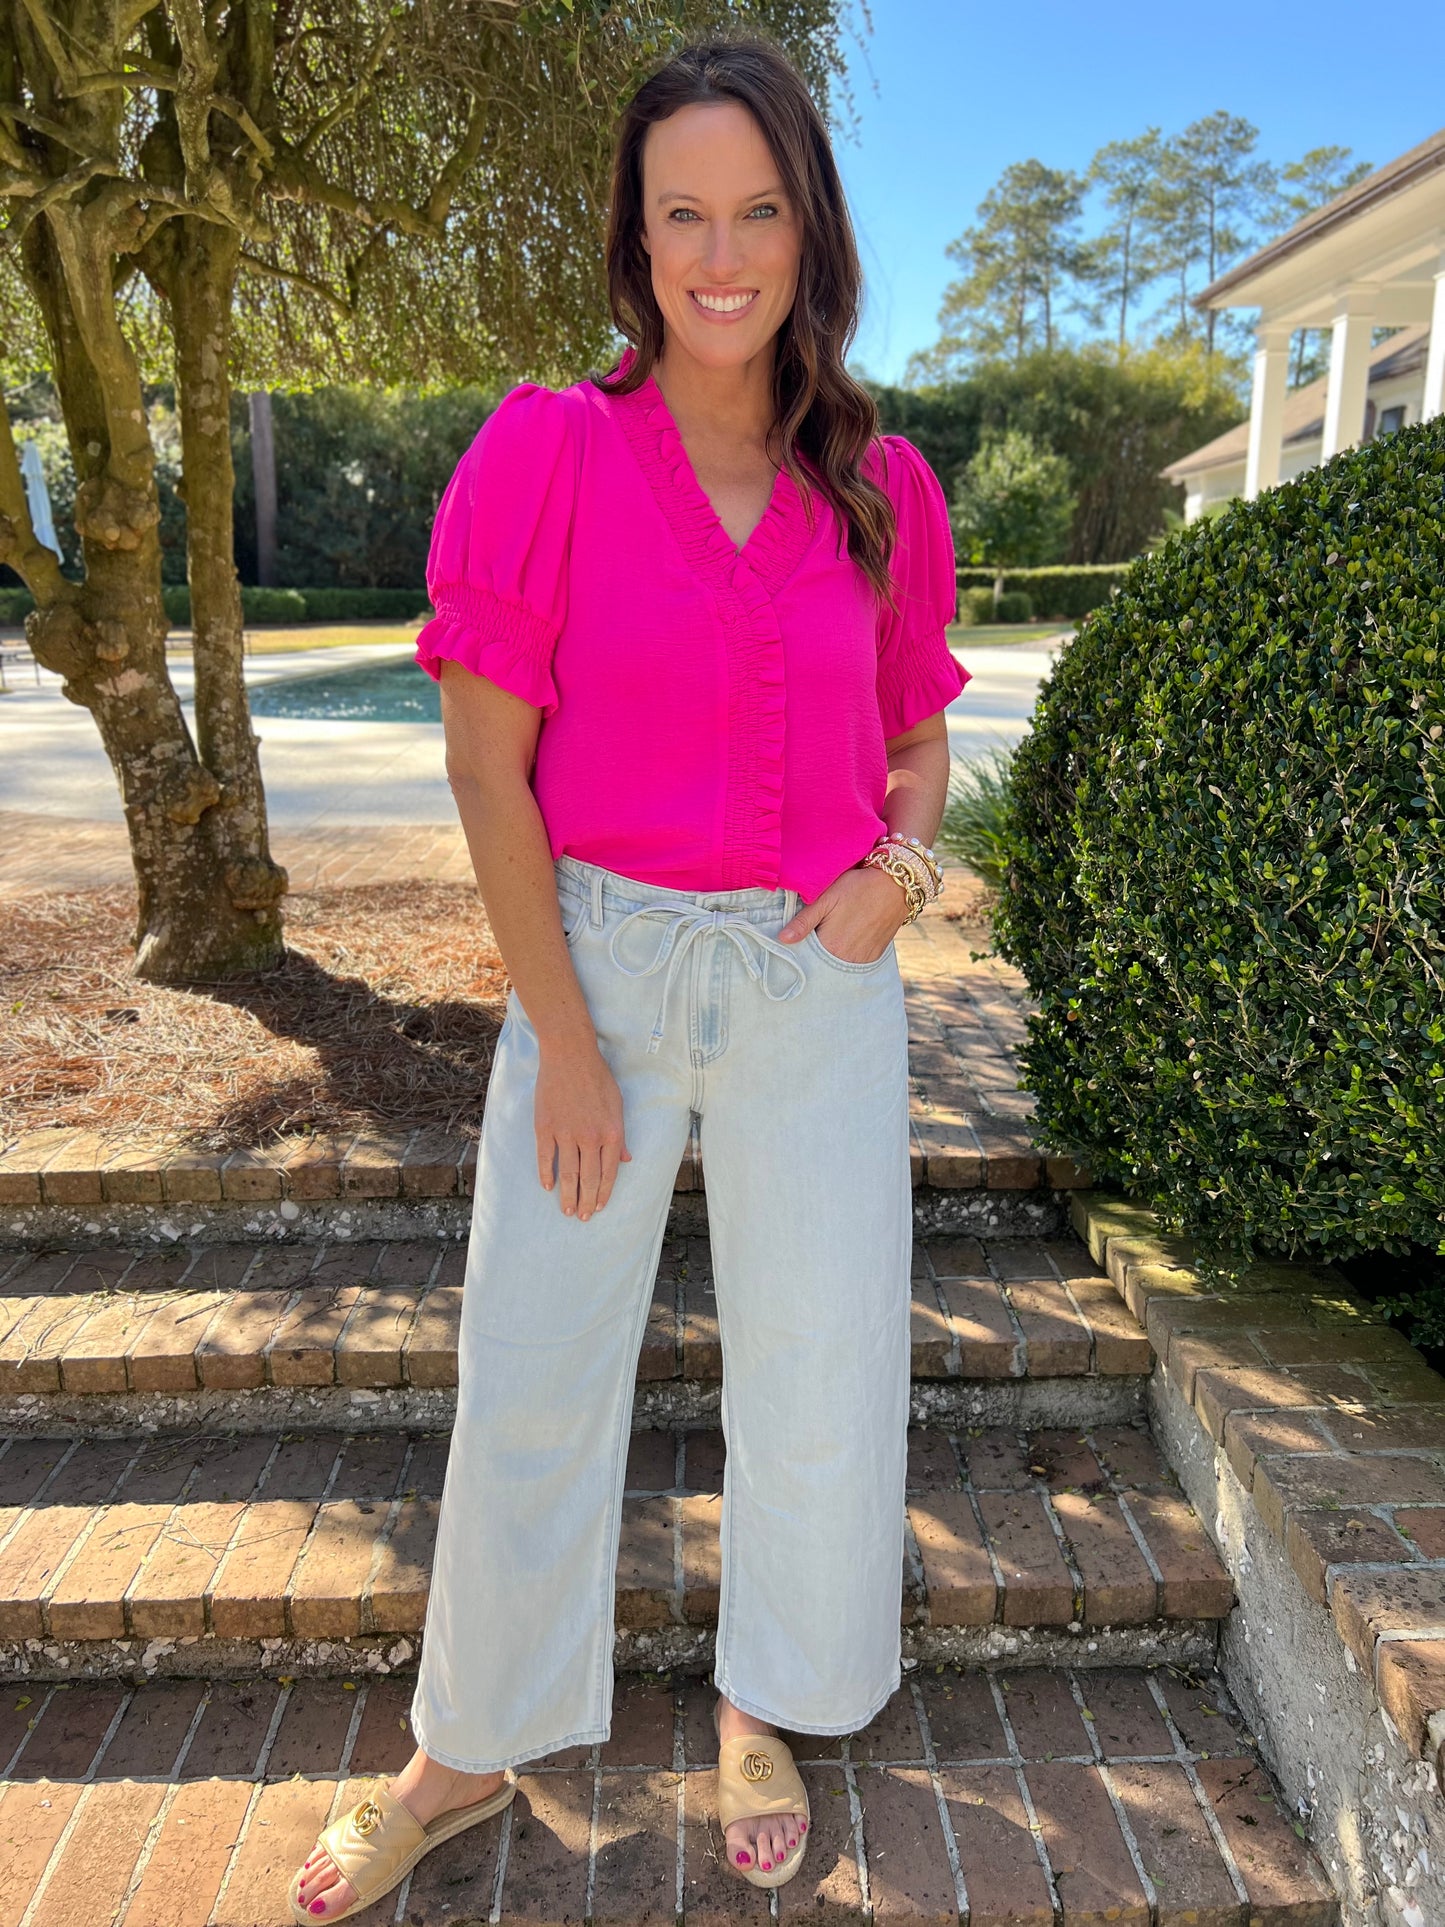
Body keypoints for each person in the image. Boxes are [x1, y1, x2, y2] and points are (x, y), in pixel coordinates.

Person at [289, 33, 969, 1924]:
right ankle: (458, 1753)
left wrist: (897, 873)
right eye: (684, 212)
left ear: (807, 230)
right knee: (531, 1366)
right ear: (637, 236)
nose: (720, 251)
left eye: (757, 209)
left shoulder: (879, 483)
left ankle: (763, 1704)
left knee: (821, 1365)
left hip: (812, 987)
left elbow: (916, 737)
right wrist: (562, 1041)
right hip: (599, 963)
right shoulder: (551, 450)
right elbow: (484, 762)